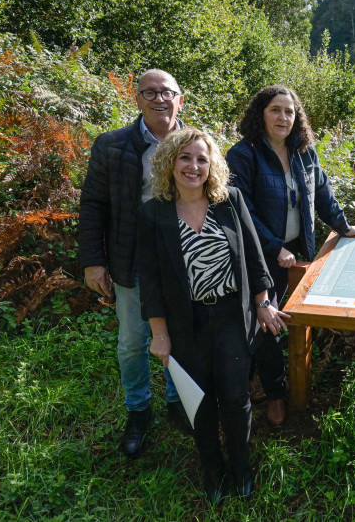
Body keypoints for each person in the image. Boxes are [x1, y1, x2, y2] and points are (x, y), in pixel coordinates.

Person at [136, 128, 290, 502]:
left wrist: (264, 301)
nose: (193, 166)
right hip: (185, 321)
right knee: (200, 401)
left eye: (201, 159)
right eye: (185, 157)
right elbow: (151, 282)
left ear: (212, 165)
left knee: (235, 398)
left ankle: (241, 466)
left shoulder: (230, 201)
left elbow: (255, 259)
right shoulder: (153, 213)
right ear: (170, 162)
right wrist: (159, 333)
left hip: (231, 317)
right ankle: (212, 468)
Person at [226, 85, 355, 425]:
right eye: (276, 109)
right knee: (269, 323)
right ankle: (274, 396)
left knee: (273, 323)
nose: (283, 117)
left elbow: (323, 192)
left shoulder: (304, 152)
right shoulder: (243, 154)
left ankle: (257, 379)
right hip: (258, 255)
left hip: (294, 254)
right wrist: (275, 247)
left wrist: (343, 227)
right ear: (261, 113)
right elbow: (241, 210)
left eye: (289, 112)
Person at [79, 69, 190, 458]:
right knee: (131, 341)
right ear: (137, 99)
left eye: (167, 93)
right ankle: (138, 411)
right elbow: (93, 205)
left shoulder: (193, 143)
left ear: (180, 99)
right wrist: (94, 261)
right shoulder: (112, 145)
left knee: (180, 335)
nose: (159, 99)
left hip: (182, 260)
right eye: (150, 92)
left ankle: (179, 402)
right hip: (131, 259)